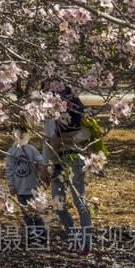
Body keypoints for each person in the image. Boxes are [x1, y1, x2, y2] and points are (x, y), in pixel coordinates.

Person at [41, 77, 93, 254]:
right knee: (68, 202)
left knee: (69, 202)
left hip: (65, 160)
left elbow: (48, 141)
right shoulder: (73, 107)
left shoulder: (56, 110)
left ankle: (83, 243)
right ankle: (78, 241)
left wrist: (43, 166)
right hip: (69, 159)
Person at [5, 134, 48, 248]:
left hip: (32, 189)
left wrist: (40, 170)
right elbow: (9, 169)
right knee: (27, 215)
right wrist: (11, 185)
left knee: (36, 213)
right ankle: (32, 235)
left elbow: (41, 162)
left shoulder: (31, 149)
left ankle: (42, 235)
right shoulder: (12, 151)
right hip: (20, 190)